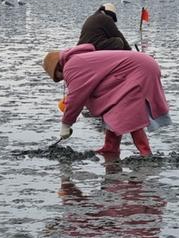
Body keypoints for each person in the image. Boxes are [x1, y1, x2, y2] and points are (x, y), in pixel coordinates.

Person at [42, 43, 172, 157]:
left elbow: (76, 98)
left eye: (58, 77)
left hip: (141, 69)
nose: (62, 79)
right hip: (140, 65)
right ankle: (110, 147)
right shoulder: (79, 60)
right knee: (114, 107)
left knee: (130, 112)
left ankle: (145, 152)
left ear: (58, 68)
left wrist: (66, 124)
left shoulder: (72, 65)